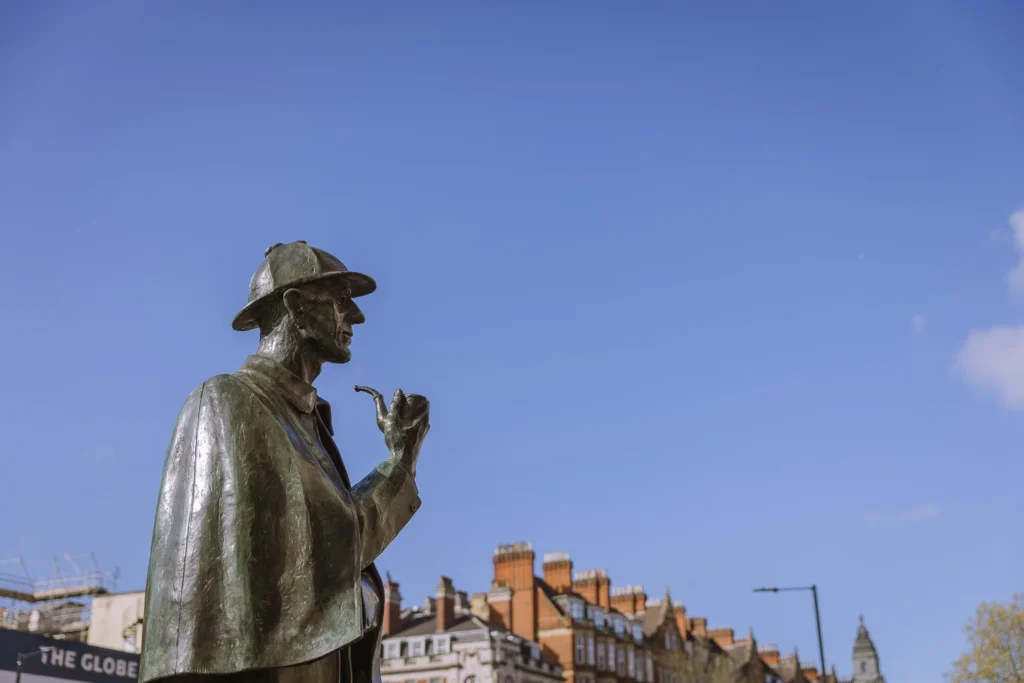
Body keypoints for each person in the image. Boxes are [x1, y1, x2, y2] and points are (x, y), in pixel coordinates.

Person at [140, 241, 430, 683]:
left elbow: (333, 544)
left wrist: (400, 460)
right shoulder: (230, 401)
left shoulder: (306, 420)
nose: (356, 317)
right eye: (339, 301)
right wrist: (400, 464)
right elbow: (339, 545)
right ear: (295, 305)